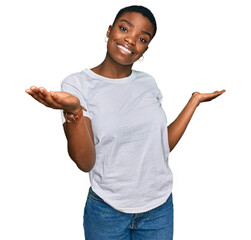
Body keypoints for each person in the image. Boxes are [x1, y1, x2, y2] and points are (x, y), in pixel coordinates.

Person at [25, 5, 225, 240]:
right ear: (109, 31)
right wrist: (74, 111)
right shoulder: (78, 84)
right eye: (124, 29)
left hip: (159, 208)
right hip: (107, 211)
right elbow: (85, 162)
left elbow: (159, 148)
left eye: (142, 38)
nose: (130, 40)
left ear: (145, 48)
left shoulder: (148, 83)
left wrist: (194, 101)